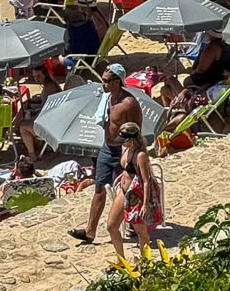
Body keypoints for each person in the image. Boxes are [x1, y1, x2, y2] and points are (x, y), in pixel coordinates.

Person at [68, 66, 142, 244]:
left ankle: (134, 224)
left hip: (122, 150)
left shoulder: (129, 104)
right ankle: (90, 231)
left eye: (107, 80)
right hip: (107, 148)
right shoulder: (107, 99)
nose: (103, 83)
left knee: (127, 190)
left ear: (117, 81)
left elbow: (136, 130)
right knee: (99, 188)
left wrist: (130, 152)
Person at [107, 123, 161, 261]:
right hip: (124, 191)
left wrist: (145, 204)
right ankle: (121, 259)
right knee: (111, 226)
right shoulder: (126, 148)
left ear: (131, 140)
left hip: (136, 195)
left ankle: (145, 260)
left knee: (141, 231)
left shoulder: (141, 155)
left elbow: (146, 180)